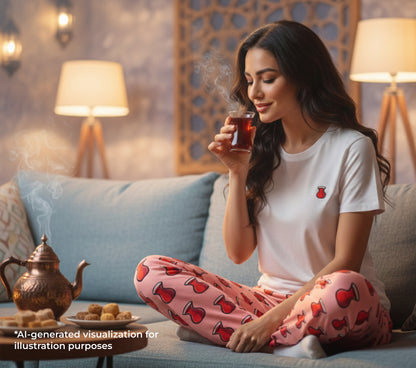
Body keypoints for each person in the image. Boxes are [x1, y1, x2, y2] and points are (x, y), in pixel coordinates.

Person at [134, 20, 392, 359]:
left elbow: (347, 261)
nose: (254, 93)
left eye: (268, 79)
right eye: (250, 80)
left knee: (345, 286)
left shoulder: (350, 148)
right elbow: (239, 253)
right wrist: (237, 172)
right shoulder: (260, 149)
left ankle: (233, 333)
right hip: (266, 300)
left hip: (339, 304)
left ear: (304, 77)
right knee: (150, 272)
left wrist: (267, 323)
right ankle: (290, 343)